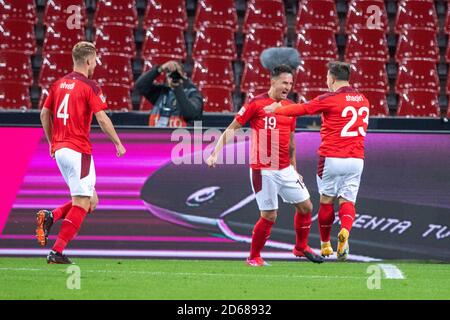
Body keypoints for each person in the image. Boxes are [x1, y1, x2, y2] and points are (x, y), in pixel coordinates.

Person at [206, 65, 324, 266]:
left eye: (291, 83)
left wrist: (295, 169)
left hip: (285, 168)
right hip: (263, 169)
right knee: (269, 215)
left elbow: (291, 144)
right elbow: (232, 128)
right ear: (273, 81)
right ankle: (254, 257)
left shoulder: (290, 107)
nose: (288, 86)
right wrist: (215, 153)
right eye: (284, 82)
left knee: (306, 206)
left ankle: (301, 247)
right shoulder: (256, 104)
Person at [264, 61, 369, 261]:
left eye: (327, 78)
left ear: (332, 78)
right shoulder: (364, 100)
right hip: (356, 158)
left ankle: (325, 244)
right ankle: (345, 232)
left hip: (332, 157)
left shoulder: (330, 98)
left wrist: (276, 110)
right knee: (348, 200)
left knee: (326, 200)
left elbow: (303, 109)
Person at [38, 41, 126, 264]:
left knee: (90, 200)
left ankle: (52, 216)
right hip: (78, 151)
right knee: (81, 202)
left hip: (60, 151)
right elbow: (102, 118)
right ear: (88, 60)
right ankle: (56, 252)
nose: (95, 64)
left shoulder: (58, 84)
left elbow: (43, 114)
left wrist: (51, 142)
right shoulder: (90, 86)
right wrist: (118, 143)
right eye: (95, 59)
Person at [135, 60, 203, 127]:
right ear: (166, 76)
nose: (173, 77)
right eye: (170, 74)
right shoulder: (161, 92)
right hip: (157, 137)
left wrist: (177, 88)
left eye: (176, 74)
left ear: (183, 75)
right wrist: (160, 69)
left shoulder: (193, 94)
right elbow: (140, 85)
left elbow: (192, 115)